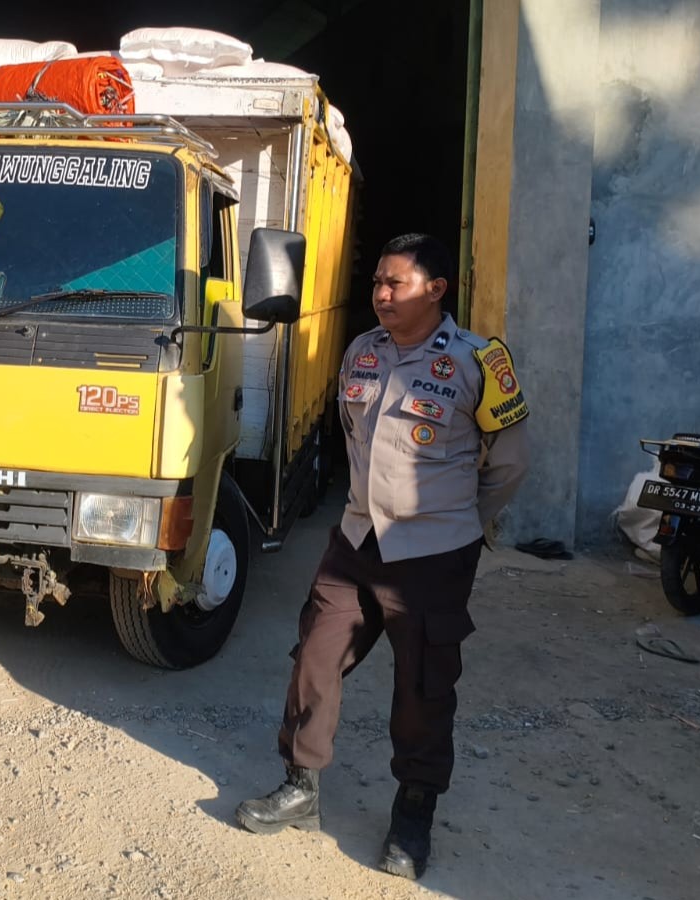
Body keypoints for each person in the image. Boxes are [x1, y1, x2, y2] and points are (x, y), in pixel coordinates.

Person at [235, 233, 530, 879]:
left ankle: (414, 813)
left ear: (436, 289)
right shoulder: (361, 353)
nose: (381, 295)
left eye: (395, 283)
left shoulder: (481, 360)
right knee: (315, 658)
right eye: (375, 283)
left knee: (422, 687)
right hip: (355, 540)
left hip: (434, 554)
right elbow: (352, 442)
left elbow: (507, 465)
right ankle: (299, 786)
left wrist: (456, 526)